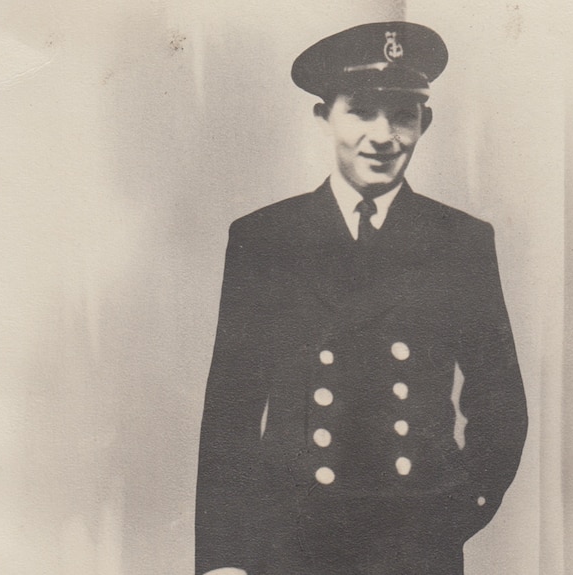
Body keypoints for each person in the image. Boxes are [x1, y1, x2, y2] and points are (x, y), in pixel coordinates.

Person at [195, 21, 528, 575]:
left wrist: (454, 512)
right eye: (362, 110)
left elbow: (500, 400)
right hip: (291, 544)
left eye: (403, 113)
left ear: (425, 121)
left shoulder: (460, 241)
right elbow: (231, 408)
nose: (383, 136)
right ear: (323, 116)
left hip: (413, 545)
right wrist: (224, 559)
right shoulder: (266, 238)